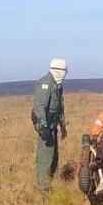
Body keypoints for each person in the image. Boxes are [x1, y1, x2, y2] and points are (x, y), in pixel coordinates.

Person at [32, 58, 68, 193]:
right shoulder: (45, 83)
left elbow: (59, 107)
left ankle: (50, 181)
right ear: (58, 70)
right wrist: (43, 127)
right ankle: (43, 187)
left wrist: (63, 127)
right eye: (64, 71)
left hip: (53, 126)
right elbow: (39, 107)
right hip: (45, 128)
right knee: (45, 158)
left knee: (53, 156)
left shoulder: (57, 86)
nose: (65, 74)